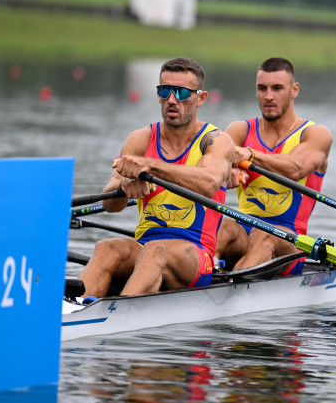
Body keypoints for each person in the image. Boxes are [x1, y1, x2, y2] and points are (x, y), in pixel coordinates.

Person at [79, 58, 234, 297]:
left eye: (182, 93)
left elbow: (208, 183)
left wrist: (150, 166)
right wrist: (124, 185)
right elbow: (110, 205)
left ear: (201, 98)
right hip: (145, 246)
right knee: (106, 248)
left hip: (196, 255)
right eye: (164, 91)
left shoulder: (215, 141)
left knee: (156, 250)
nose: (172, 100)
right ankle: (69, 313)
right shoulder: (139, 139)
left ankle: (118, 314)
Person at [215, 57, 332, 275]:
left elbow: (296, 169)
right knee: (222, 225)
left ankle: (232, 286)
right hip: (243, 233)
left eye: (277, 88)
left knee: (265, 234)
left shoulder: (315, 134)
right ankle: (205, 272)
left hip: (290, 243)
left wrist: (249, 155)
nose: (268, 96)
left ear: (294, 90)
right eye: (262, 88)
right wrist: (226, 175)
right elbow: (212, 171)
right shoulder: (239, 130)